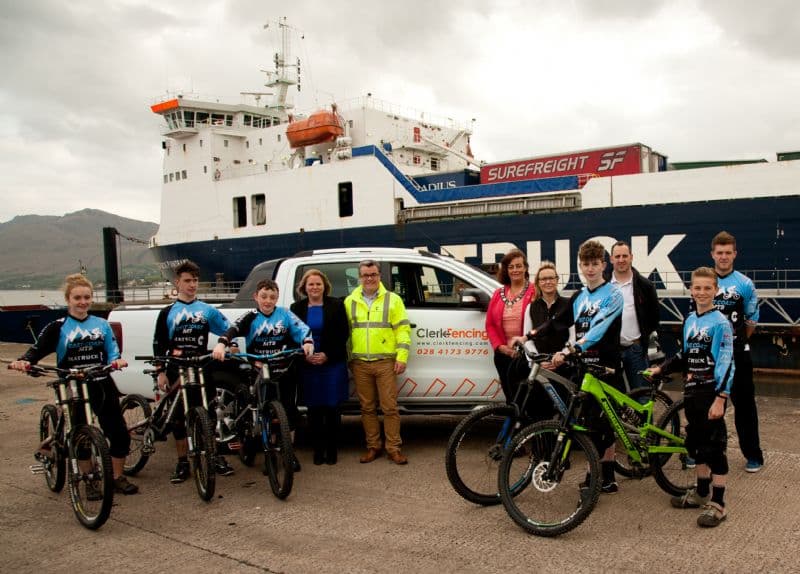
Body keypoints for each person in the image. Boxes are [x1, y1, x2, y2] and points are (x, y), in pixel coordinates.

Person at [10, 274, 139, 495]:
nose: (82, 302)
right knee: (80, 436)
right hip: (73, 386)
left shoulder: (102, 325)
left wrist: (116, 360)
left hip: (100, 382)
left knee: (119, 433)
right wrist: (24, 361)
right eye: (77, 297)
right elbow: (36, 350)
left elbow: (112, 351)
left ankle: (117, 477)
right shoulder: (57, 327)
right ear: (68, 299)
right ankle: (88, 478)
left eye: (86, 297)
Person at [648, 266, 734, 528]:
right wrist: (661, 368)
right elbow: (685, 356)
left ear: (716, 291)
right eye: (697, 287)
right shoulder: (689, 321)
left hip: (712, 391)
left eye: (708, 288)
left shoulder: (721, 323)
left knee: (714, 448)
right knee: (695, 445)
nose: (702, 292)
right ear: (691, 290)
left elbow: (727, 362)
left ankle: (718, 503)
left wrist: (721, 397)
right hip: (692, 392)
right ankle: (700, 492)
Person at [212, 279, 314, 471]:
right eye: (264, 297)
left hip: (282, 368)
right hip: (258, 369)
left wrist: (307, 342)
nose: (268, 301)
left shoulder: (284, 314)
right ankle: (269, 453)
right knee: (262, 412)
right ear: (256, 297)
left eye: (272, 297)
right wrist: (222, 344)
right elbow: (232, 330)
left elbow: (301, 328)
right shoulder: (250, 316)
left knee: (288, 412)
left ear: (277, 298)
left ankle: (288, 452)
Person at [552, 240, 624, 494]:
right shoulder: (580, 296)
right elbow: (561, 325)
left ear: (604, 265)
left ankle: (605, 476)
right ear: (580, 266)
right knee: (590, 423)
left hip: (606, 367)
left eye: (595, 264)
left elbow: (598, 330)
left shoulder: (613, 294)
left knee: (603, 425)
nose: (590, 269)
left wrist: (574, 348)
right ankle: (601, 475)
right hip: (584, 368)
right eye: (585, 264)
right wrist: (530, 336)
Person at [153, 261, 234, 482]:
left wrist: (226, 343)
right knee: (178, 418)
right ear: (177, 282)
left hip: (201, 367)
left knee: (208, 413)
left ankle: (214, 456)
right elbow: (159, 343)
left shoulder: (207, 310)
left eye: (195, 281)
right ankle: (182, 462)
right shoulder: (168, 312)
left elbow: (229, 330)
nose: (192, 285)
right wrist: (160, 372)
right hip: (175, 368)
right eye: (187, 281)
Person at [344, 260, 411, 465]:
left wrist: (401, 357)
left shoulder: (393, 300)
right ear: (359, 277)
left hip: (385, 362)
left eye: (373, 274)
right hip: (360, 363)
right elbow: (345, 333)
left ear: (379, 276)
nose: (369, 278)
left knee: (390, 407)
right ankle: (373, 447)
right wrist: (349, 359)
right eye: (365, 275)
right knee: (367, 408)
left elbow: (403, 330)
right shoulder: (350, 301)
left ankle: (393, 448)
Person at [708, 231, 763, 472]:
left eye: (727, 252)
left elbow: (751, 320)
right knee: (705, 405)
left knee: (745, 406)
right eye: (719, 252)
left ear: (735, 254)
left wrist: (736, 342)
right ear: (712, 254)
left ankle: (753, 455)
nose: (723, 257)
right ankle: (700, 452)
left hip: (738, 353)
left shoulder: (744, 283)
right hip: (709, 355)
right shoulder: (705, 280)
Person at [289, 270, 350, 465]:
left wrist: (326, 355)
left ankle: (332, 450)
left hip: (331, 363)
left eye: (318, 284)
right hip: (308, 365)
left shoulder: (337, 305)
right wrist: (306, 356)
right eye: (311, 284)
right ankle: (317, 449)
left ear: (325, 286)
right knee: (314, 409)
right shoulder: (296, 308)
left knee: (332, 408)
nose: (314, 288)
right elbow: (292, 335)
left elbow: (343, 334)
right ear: (304, 288)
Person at [509, 261, 573, 420]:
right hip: (540, 367)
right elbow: (527, 339)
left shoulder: (569, 304)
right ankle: (542, 443)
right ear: (538, 283)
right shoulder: (532, 307)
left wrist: (562, 355)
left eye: (551, 278)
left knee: (564, 409)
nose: (548, 282)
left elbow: (574, 337)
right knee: (540, 410)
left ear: (557, 280)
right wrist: (538, 360)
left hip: (562, 365)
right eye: (543, 279)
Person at [607, 241, 660, 391]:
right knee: (613, 396)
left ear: (631, 257)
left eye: (625, 256)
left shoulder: (645, 286)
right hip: (611, 352)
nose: (621, 260)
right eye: (617, 256)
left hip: (635, 349)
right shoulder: (604, 285)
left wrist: (647, 346)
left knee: (642, 393)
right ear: (611, 259)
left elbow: (654, 319)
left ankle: (643, 416)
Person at [485, 248, 536, 403]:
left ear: (525, 268)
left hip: (526, 355)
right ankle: (513, 425)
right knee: (510, 398)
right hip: (503, 355)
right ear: (506, 270)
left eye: (519, 266)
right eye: (511, 267)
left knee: (528, 398)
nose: (515, 270)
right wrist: (501, 347)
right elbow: (490, 324)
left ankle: (528, 426)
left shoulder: (535, 290)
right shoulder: (498, 293)